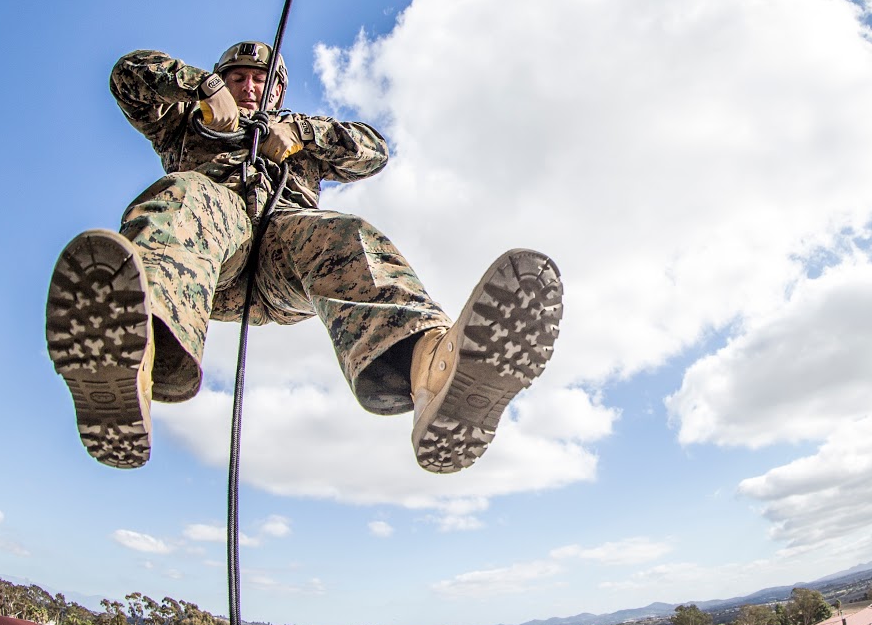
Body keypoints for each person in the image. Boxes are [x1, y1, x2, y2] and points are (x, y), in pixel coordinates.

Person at [44, 41, 562, 474]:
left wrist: (298, 135)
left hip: (282, 258)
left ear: (278, 91)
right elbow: (128, 75)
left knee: (344, 233)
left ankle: (433, 371)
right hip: (204, 259)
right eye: (238, 77)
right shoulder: (186, 120)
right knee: (184, 196)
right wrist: (203, 90)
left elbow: (374, 152)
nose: (249, 87)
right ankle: (131, 361)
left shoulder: (296, 136)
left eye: (260, 80)